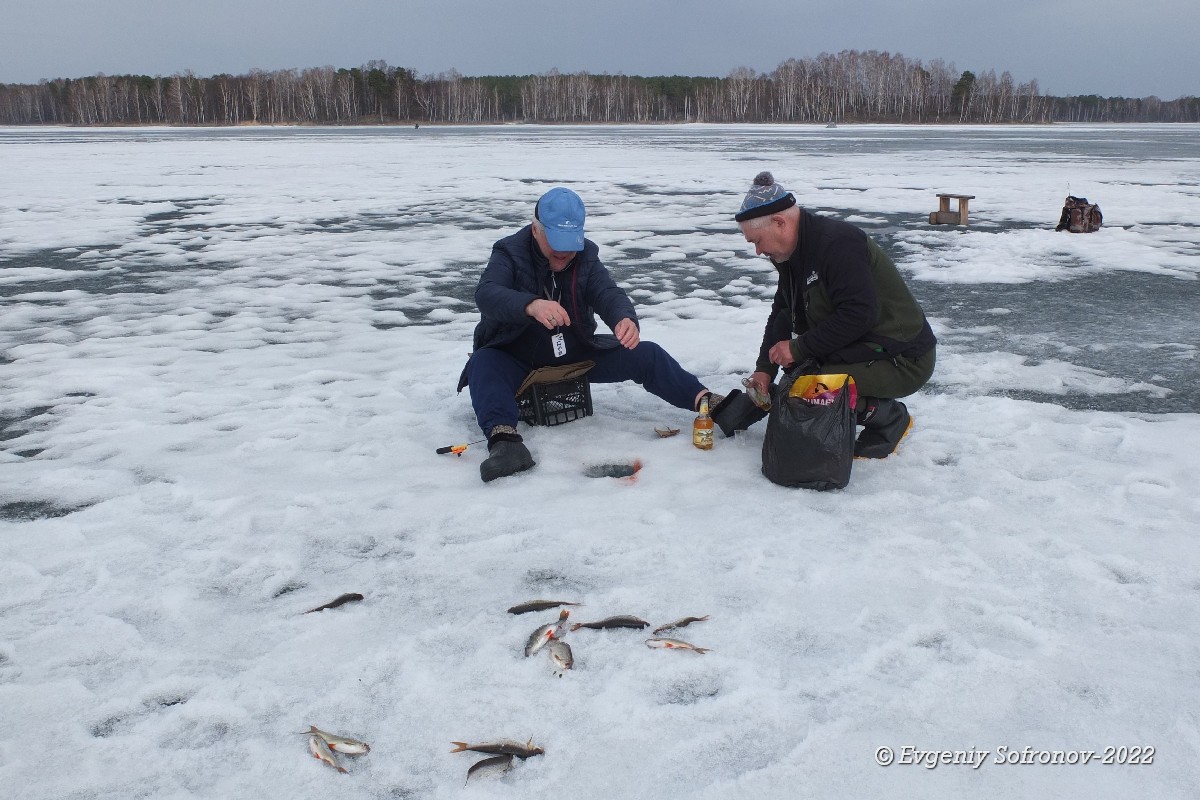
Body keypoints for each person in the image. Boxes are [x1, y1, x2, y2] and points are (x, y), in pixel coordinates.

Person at [457, 187, 724, 482]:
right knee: (482, 363)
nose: (564, 254)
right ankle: (505, 444)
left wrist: (624, 318)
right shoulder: (509, 251)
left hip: (575, 349)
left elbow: (607, 292)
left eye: (570, 245)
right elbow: (487, 294)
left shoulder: (586, 256)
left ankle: (709, 402)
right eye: (556, 244)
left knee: (647, 353)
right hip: (515, 353)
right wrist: (530, 305)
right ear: (536, 230)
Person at [714, 172, 937, 458]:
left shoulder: (837, 244)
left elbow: (859, 315)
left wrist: (798, 347)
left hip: (901, 357)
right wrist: (764, 370)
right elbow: (782, 312)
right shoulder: (791, 254)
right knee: (795, 386)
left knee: (813, 391)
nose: (758, 251)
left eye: (757, 241)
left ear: (779, 222)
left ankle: (889, 418)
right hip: (858, 348)